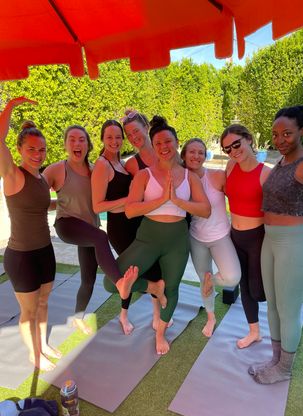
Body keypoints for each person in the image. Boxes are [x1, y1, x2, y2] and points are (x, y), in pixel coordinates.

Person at [104, 116, 211, 354]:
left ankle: (160, 334)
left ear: (176, 142)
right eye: (159, 143)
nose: (164, 147)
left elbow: (205, 209)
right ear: (153, 144)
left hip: (177, 239)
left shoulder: (188, 176)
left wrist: (177, 201)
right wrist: (162, 200)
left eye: (168, 142)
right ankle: (153, 287)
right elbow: (131, 210)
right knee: (112, 282)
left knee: (172, 288)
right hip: (148, 237)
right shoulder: (144, 175)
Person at [43, 125, 162, 335]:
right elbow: (37, 195)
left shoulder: (94, 167)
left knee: (88, 278)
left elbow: (92, 198)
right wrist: (56, 203)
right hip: (68, 224)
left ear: (89, 144)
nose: (77, 144)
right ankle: (120, 283)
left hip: (88, 229)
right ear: (64, 144)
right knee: (100, 237)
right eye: (72, 139)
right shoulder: (59, 169)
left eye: (81, 140)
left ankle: (77, 318)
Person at [249, 105, 303, 384]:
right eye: (275, 135)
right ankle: (276, 359)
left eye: (287, 133)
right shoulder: (281, 162)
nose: (280, 140)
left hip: (295, 246)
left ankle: (284, 370)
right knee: (272, 306)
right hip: (271, 242)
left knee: (288, 309)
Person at [0, 97, 60, 371]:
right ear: (20, 149)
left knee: (44, 301)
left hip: (44, 250)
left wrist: (64, 204)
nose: (38, 154)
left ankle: (43, 345)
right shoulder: (13, 174)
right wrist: (11, 105)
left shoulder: (42, 178)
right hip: (21, 255)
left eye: (43, 149)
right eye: (32, 149)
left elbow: (42, 204)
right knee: (29, 311)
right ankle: (33, 356)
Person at [181, 138, 241, 337]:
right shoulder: (181, 180)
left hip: (221, 236)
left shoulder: (216, 176)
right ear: (184, 155)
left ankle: (211, 283)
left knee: (232, 277)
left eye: (200, 152)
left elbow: (237, 193)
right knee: (202, 277)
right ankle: (210, 316)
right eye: (192, 152)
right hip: (196, 238)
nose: (196, 156)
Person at [221, 125, 271, 348]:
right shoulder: (231, 166)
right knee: (244, 287)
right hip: (235, 237)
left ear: (249, 139)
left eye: (236, 144)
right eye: (227, 149)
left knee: (259, 289)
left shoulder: (266, 173)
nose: (233, 151)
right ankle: (254, 332)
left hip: (258, 239)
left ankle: (281, 329)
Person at [91, 119, 142, 335]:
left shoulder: (121, 163)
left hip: (134, 223)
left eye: (118, 137)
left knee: (138, 268)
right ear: (102, 139)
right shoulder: (103, 165)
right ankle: (123, 316)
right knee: (129, 271)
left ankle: (131, 311)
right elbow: (97, 205)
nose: (115, 141)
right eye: (110, 137)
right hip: (119, 227)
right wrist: (127, 199)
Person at [121, 109, 166, 330]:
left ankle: (166, 308)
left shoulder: (164, 150)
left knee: (168, 269)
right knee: (154, 270)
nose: (133, 137)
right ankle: (157, 315)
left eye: (136, 131)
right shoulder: (131, 164)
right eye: (128, 134)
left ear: (146, 128)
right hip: (147, 225)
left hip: (173, 221)